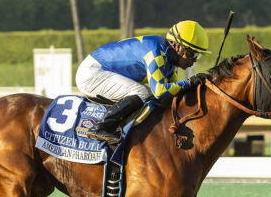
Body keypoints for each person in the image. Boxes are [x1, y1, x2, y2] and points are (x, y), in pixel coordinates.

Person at [76, 20, 212, 144]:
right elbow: (160, 91)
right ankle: (100, 127)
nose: (193, 61)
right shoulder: (156, 53)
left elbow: (174, 91)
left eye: (197, 56)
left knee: (146, 93)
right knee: (142, 92)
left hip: (100, 70)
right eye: (192, 54)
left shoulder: (168, 58)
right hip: (92, 73)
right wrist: (189, 82)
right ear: (177, 47)